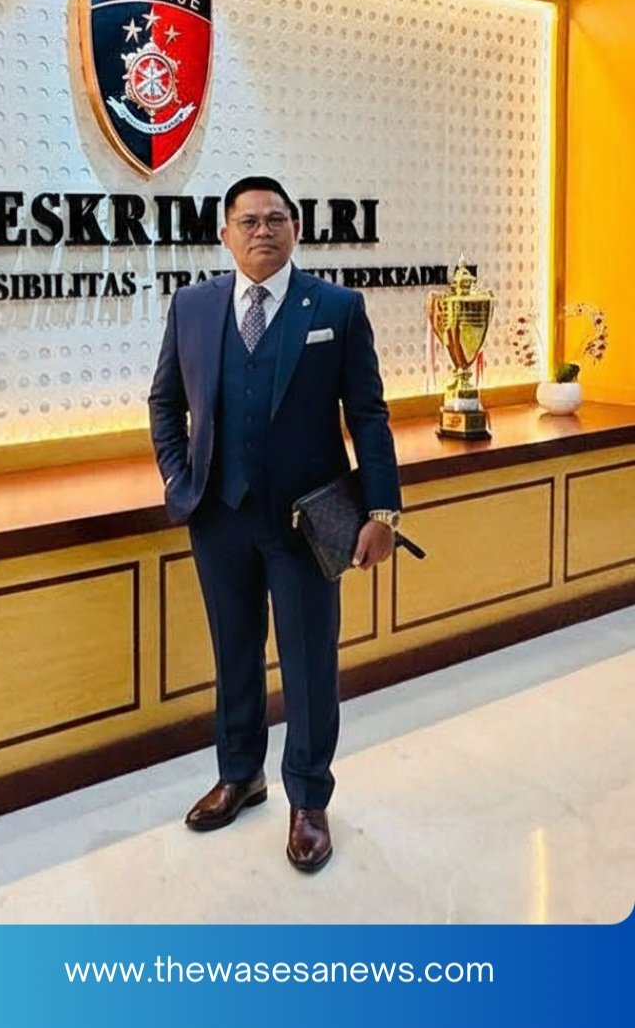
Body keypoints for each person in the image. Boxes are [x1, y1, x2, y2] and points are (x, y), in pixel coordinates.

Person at [148, 175, 401, 872]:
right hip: (218, 517)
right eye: (249, 221)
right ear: (224, 234)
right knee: (233, 653)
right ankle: (240, 775)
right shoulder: (193, 307)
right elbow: (164, 402)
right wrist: (178, 478)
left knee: (309, 664)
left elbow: (369, 415)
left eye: (276, 219)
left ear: (295, 229)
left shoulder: (337, 308)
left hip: (306, 523)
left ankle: (309, 800)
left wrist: (382, 510)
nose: (263, 230)